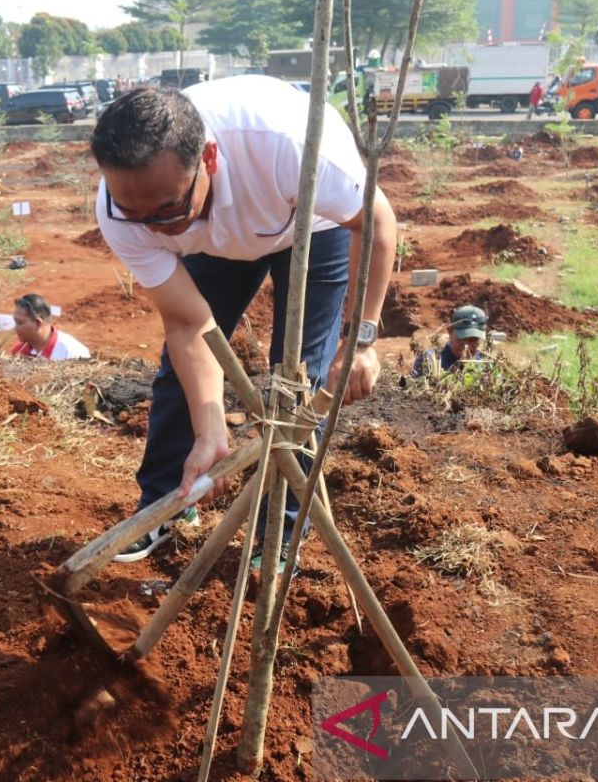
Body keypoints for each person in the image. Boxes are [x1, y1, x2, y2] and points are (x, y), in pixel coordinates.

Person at [92, 77, 396, 568]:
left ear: (207, 160)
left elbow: (376, 222)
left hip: (310, 222)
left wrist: (361, 339)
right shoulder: (122, 213)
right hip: (218, 240)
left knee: (294, 386)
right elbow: (191, 327)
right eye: (137, 214)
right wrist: (211, 429)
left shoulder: (292, 149)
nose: (154, 228)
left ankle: (278, 531)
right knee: (178, 373)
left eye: (168, 209)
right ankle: (163, 507)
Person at [411, 305, 487, 377]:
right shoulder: (430, 361)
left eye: (474, 339)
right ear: (450, 331)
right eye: (463, 338)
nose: (467, 345)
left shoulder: (484, 362)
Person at [8, 294, 90, 360]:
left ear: (37, 323)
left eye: (20, 323)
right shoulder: (19, 351)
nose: (15, 328)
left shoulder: (72, 353)